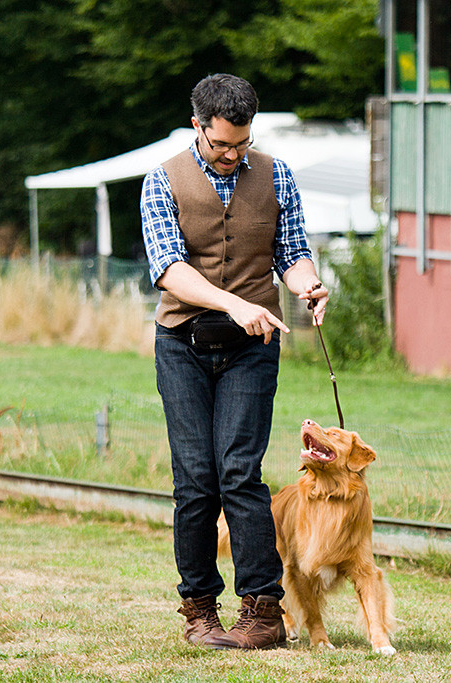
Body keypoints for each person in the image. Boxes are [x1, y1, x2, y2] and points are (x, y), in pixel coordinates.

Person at [139, 73, 328, 650]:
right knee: (196, 479)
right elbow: (169, 268)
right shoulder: (161, 180)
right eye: (221, 143)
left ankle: (263, 613)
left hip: (253, 346)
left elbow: (290, 251)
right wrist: (232, 303)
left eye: (241, 143)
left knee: (240, 473)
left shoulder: (275, 174)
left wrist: (309, 284)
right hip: (183, 343)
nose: (231, 154)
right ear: (198, 125)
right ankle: (199, 608)